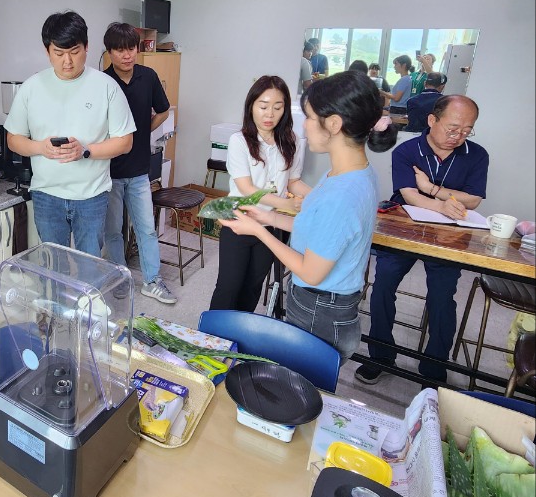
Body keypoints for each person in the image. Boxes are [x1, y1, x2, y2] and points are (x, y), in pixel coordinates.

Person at [220, 71, 397, 360]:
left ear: (334, 124)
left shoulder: (340, 193)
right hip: (320, 303)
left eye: (310, 117)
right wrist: (270, 218)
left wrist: (262, 230)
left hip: (321, 309)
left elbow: (311, 272)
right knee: (229, 286)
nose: (304, 125)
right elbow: (313, 219)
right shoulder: (345, 175)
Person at [356, 95, 488, 384]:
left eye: (467, 130)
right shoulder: (407, 150)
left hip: (450, 235)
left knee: (442, 297)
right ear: (432, 120)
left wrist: (432, 190)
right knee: (383, 285)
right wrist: (445, 203)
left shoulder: (477, 155)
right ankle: (381, 355)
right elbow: (409, 195)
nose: (458, 136)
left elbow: (474, 199)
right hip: (405, 227)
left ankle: (433, 366)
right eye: (453, 128)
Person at [5, 10, 135, 257]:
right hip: (46, 195)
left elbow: (125, 141)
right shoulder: (31, 87)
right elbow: (13, 139)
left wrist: (85, 151)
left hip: (91, 196)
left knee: (90, 264)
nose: (67, 61)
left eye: (74, 52)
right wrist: (40, 147)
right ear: (47, 51)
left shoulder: (107, 86)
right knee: (53, 265)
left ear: (86, 47)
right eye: (59, 53)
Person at [209, 75, 309, 312]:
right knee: (229, 286)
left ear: (285, 109)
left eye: (277, 107)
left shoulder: (292, 141)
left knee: (253, 287)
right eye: (263, 107)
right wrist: (287, 205)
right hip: (239, 221)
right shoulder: (239, 141)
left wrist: (319, 196)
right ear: (251, 106)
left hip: (271, 225)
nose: (269, 114)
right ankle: (212, 334)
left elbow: (293, 182)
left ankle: (241, 331)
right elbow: (247, 189)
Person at [101, 23, 176, 304]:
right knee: (113, 231)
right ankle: (119, 278)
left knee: (146, 228)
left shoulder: (148, 76)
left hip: (139, 170)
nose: (127, 55)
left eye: (131, 48)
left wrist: (142, 131)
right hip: (108, 171)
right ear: (109, 52)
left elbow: (164, 111)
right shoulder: (102, 82)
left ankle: (152, 281)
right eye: (119, 50)